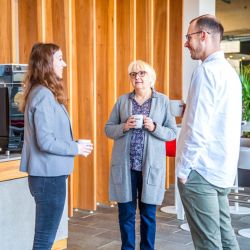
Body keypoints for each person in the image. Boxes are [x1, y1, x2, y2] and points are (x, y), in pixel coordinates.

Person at [19, 43, 93, 250]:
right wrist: (75, 148)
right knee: (44, 239)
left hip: (48, 176)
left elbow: (48, 136)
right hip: (48, 178)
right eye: (60, 59)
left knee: (45, 236)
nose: (65, 64)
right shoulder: (42, 94)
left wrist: (75, 144)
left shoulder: (41, 92)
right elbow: (46, 141)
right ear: (46, 63)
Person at [176, 15, 241, 250]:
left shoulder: (206, 72)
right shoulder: (230, 73)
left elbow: (197, 128)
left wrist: (183, 170)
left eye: (188, 37)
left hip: (200, 172)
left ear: (203, 36)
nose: (186, 43)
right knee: (225, 238)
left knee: (208, 244)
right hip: (220, 171)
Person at [105, 60, 177, 250]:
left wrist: (154, 127)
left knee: (148, 215)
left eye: (141, 73)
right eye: (133, 74)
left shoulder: (162, 101)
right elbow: (108, 129)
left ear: (151, 77)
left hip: (150, 167)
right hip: (126, 167)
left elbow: (172, 132)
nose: (137, 77)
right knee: (126, 214)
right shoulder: (122, 101)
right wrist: (124, 127)